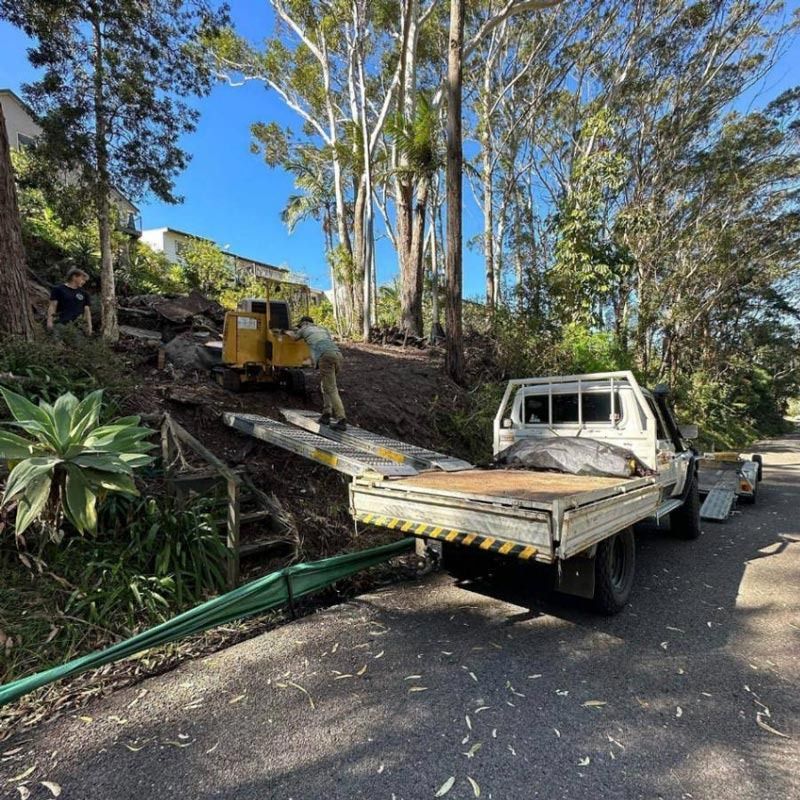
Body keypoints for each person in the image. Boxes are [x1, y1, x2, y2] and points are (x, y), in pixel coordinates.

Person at [284, 316, 347, 431]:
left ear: (304, 323)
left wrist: (286, 332)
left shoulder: (304, 329)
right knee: (326, 386)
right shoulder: (323, 329)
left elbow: (294, 337)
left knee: (331, 388)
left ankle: (341, 419)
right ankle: (326, 414)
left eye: (301, 325)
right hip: (338, 356)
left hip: (325, 357)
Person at [47, 269, 93, 335]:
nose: (84, 282)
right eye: (82, 279)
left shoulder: (84, 293)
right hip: (60, 324)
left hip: (78, 327)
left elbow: (87, 311)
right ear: (74, 277)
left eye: (85, 280)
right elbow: (52, 306)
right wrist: (49, 321)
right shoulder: (58, 289)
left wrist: (89, 326)